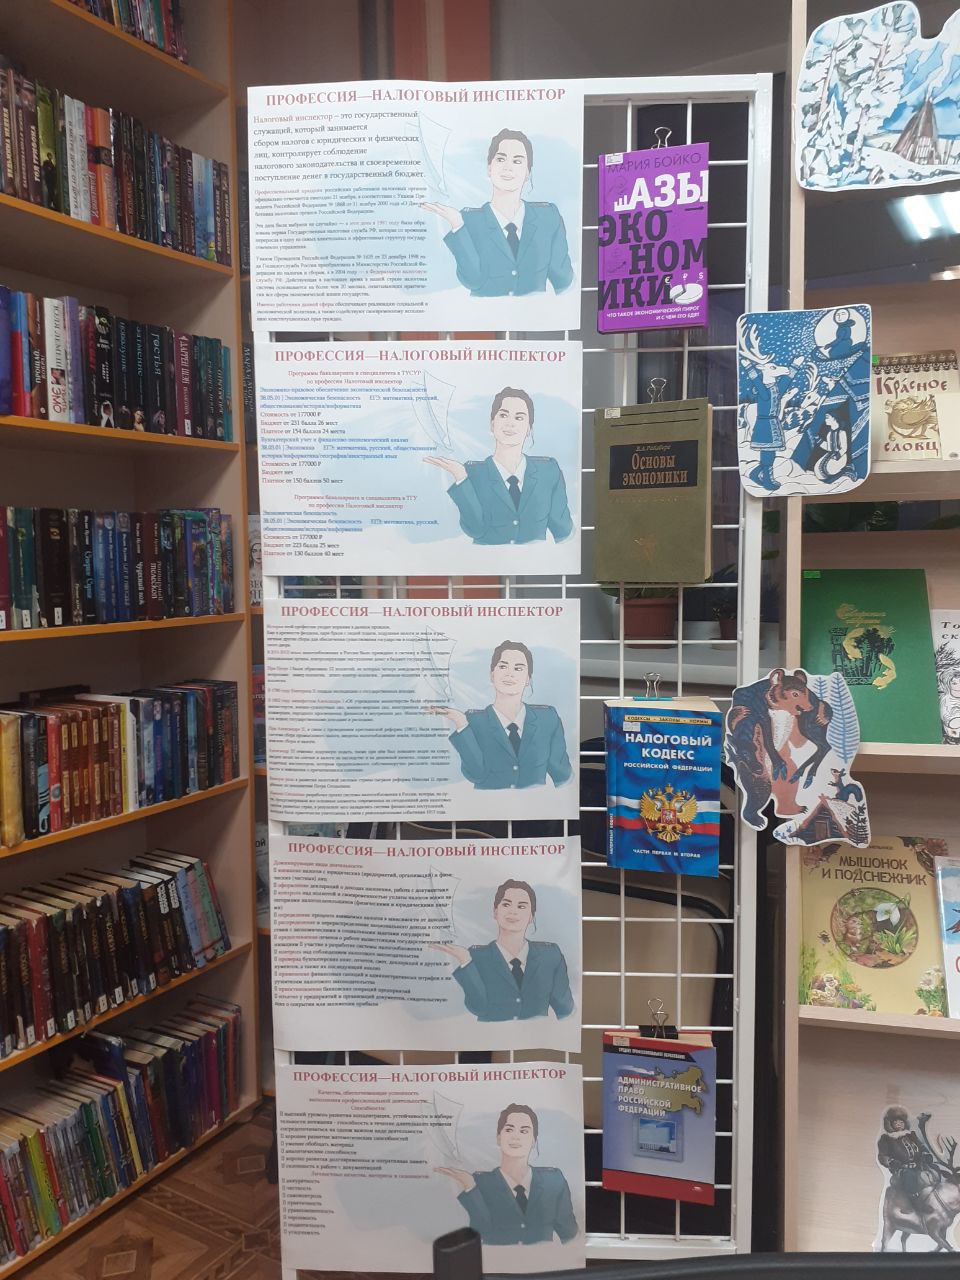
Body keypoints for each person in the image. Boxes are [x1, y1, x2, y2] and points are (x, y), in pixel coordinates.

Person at [421, 128, 573, 298]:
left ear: (527, 173)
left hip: (534, 312)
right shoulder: (467, 221)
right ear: (489, 167)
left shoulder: (548, 217)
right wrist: (457, 224)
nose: (508, 167)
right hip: (483, 313)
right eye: (501, 159)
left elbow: (563, 280)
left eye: (517, 161)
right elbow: (472, 280)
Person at [424, 387, 573, 545]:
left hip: (535, 558)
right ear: (492, 424)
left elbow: (563, 530)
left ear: (529, 429)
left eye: (519, 417)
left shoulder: (548, 470)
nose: (510, 423)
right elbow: (475, 530)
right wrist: (461, 478)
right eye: (503, 415)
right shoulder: (471, 474)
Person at [428, 641, 571, 790]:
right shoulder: (472, 722)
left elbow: (563, 776)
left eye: (518, 668)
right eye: (503, 666)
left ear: (528, 679)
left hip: (535, 803)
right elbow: (476, 774)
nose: (510, 673)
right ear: (492, 675)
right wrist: (461, 724)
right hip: (485, 804)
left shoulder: (547, 718)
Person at [431, 879, 574, 1022]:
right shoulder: (475, 957)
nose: (513, 911)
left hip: (537, 1035)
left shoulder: (550, 955)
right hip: (489, 1035)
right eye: (506, 904)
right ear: (495, 912)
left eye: (521, 906)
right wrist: (465, 960)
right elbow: (478, 1007)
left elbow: (565, 1009)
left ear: (531, 916)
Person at [436, 1104, 578, 1246]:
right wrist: (470, 1187)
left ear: (533, 1141)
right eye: (509, 1129)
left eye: (524, 1131)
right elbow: (481, 1232)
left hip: (543, 1258)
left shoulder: (553, 1180)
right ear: (499, 1138)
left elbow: (570, 1234)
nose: (516, 1136)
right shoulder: (479, 1183)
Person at [877, 1106, 941, 1205]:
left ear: (905, 1123)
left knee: (934, 1170)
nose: (899, 1124)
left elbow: (921, 1146)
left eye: (901, 1122)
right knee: (910, 1176)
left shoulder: (910, 1135)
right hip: (902, 1169)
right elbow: (882, 1156)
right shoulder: (887, 1139)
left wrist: (926, 1154)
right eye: (896, 1122)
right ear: (891, 1124)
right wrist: (890, 1161)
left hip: (919, 1165)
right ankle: (914, 1202)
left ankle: (935, 1195)